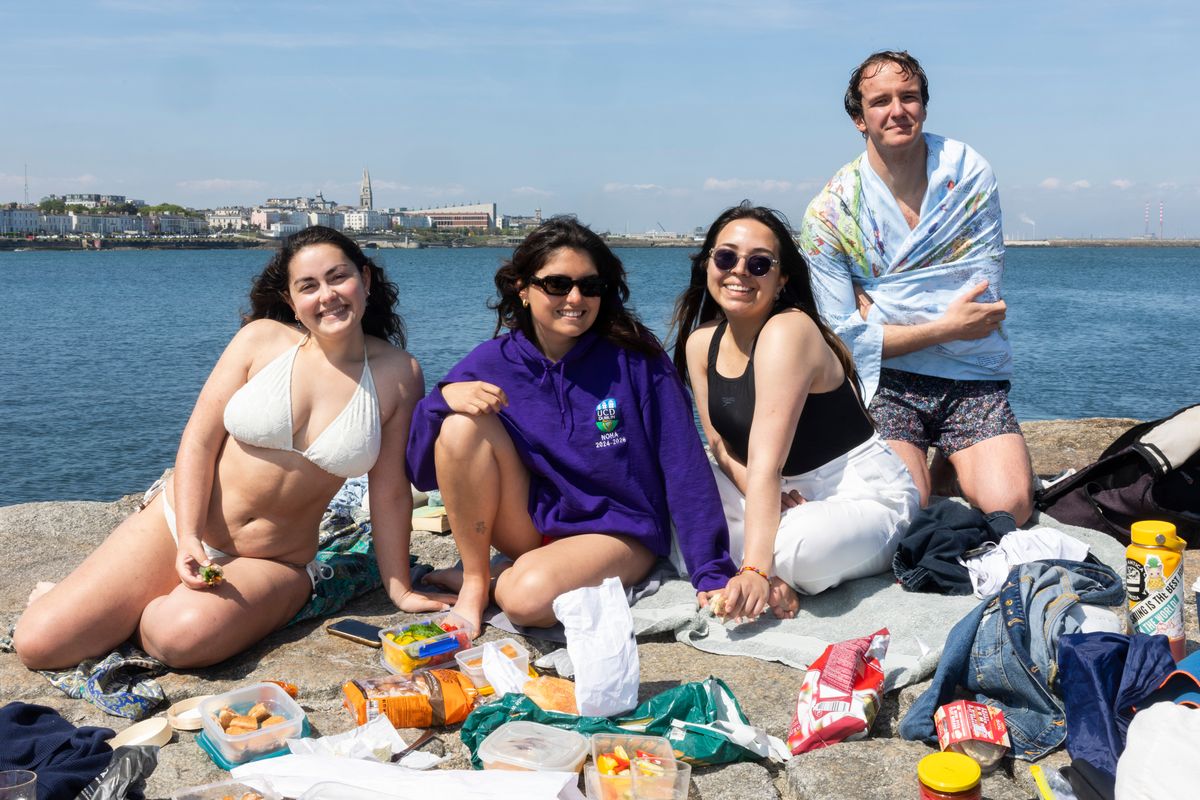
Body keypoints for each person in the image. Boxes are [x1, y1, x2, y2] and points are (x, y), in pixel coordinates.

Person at [13, 226, 445, 670]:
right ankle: (104, 605)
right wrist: (190, 540)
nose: (327, 295)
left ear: (366, 280)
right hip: (181, 524)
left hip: (273, 560)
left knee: (176, 640)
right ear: (292, 298)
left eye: (339, 278)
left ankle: (140, 611)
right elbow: (199, 441)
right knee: (40, 644)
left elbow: (390, 490)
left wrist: (400, 589)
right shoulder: (259, 340)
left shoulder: (399, 374)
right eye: (308, 286)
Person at [406, 216, 736, 635]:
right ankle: (475, 583)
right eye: (557, 284)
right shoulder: (494, 362)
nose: (575, 298)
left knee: (525, 600)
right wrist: (439, 403)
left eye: (590, 286)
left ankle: (501, 580)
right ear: (523, 289)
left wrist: (710, 570)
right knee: (460, 425)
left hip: (620, 530)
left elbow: (682, 461)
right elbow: (420, 469)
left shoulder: (635, 357)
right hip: (532, 525)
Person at [800, 50, 1034, 524]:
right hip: (885, 384)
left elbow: (981, 297)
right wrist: (947, 325)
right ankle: (936, 468)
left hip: (972, 375)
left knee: (1012, 507)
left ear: (924, 106)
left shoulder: (968, 173)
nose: (897, 110)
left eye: (909, 97)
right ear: (858, 119)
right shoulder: (830, 212)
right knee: (904, 508)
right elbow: (841, 342)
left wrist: (881, 314)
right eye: (880, 101)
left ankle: (951, 462)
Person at [671, 203, 920, 622]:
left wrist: (754, 567)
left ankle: (760, 572)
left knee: (797, 548)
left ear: (782, 278)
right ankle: (768, 577)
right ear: (708, 263)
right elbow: (717, 441)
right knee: (679, 504)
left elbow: (768, 460)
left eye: (759, 263)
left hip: (858, 492)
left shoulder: (790, 330)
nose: (739, 271)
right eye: (726, 257)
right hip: (766, 485)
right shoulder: (702, 343)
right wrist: (756, 492)